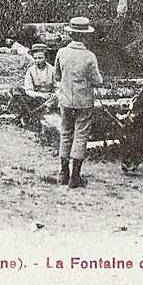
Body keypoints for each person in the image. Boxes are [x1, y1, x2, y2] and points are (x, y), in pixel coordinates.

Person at [54, 16, 104, 188]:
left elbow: (57, 76)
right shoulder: (90, 56)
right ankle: (75, 177)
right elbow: (98, 81)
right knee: (81, 136)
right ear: (85, 36)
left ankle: (63, 174)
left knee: (65, 133)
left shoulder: (61, 53)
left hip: (65, 101)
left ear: (70, 34)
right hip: (84, 103)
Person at [7, 43, 56, 126]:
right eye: (35, 58)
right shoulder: (30, 70)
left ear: (46, 58)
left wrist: (52, 95)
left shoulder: (52, 70)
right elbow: (28, 90)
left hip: (48, 98)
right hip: (35, 97)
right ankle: (31, 113)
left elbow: (58, 87)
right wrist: (39, 95)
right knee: (15, 90)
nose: (37, 61)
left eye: (40, 58)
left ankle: (28, 114)